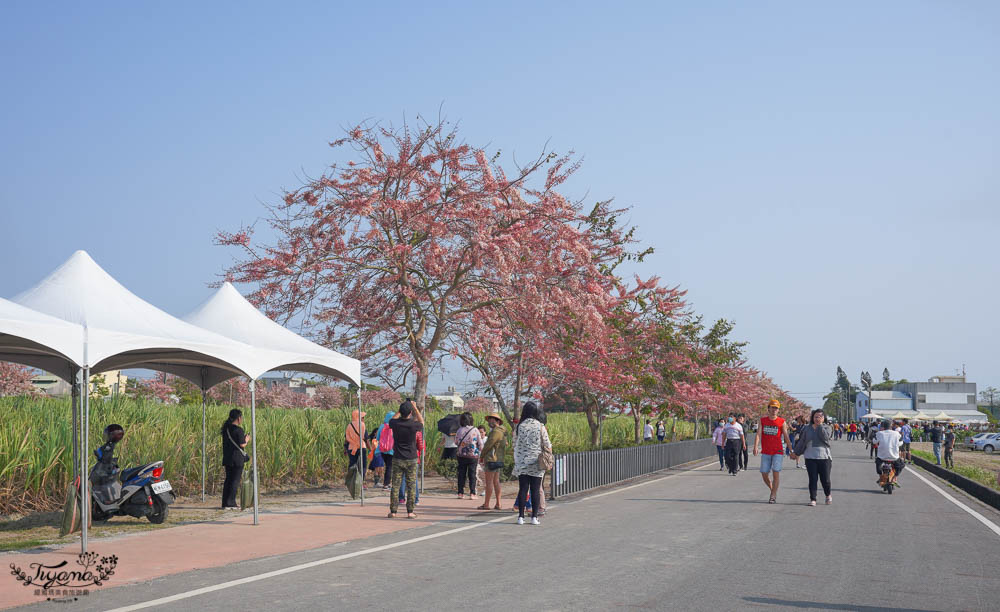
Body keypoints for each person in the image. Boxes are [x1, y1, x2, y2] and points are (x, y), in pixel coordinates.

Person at [512, 402, 551, 525]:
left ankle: (520, 517)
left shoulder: (519, 426)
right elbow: (547, 444)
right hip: (536, 462)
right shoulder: (540, 426)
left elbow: (514, 443)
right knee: (535, 489)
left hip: (522, 462)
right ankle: (534, 517)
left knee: (523, 489)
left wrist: (518, 457)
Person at [387, 399, 424, 519]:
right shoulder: (413, 425)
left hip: (397, 457)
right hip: (411, 458)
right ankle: (410, 511)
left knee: (395, 486)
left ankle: (393, 511)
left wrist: (401, 408)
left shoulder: (395, 424)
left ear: (401, 412)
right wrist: (414, 407)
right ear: (410, 413)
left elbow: (391, 420)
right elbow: (422, 422)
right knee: (411, 485)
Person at [754, 399, 794, 504]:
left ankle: (773, 495)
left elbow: (786, 436)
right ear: (768, 408)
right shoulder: (762, 420)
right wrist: (755, 446)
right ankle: (772, 488)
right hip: (766, 451)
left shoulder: (782, 421)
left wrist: (791, 450)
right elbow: (758, 434)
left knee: (776, 472)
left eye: (776, 408)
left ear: (778, 410)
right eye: (772, 407)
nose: (774, 410)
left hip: (778, 451)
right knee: (764, 472)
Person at [797, 409, 833, 506]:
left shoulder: (827, 427)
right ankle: (813, 499)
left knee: (825, 479)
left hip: (824, 457)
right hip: (810, 457)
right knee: (812, 479)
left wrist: (820, 426)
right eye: (816, 416)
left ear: (824, 418)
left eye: (820, 417)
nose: (817, 418)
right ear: (812, 417)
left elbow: (825, 438)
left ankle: (828, 495)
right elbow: (802, 441)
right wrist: (796, 453)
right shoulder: (807, 428)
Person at [220, 409, 250, 510]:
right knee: (235, 481)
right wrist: (247, 440)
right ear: (238, 418)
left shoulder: (226, 429)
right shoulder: (239, 430)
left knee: (228, 480)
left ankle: (225, 502)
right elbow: (242, 444)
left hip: (227, 458)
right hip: (237, 459)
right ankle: (231, 503)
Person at [479, 412, 507, 510]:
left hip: (492, 459)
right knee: (496, 481)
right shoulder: (502, 431)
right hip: (498, 459)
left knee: (489, 482)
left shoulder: (496, 432)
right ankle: (498, 503)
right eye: (489, 419)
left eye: (492, 419)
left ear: (497, 421)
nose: (489, 421)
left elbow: (488, 445)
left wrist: (481, 456)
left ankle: (486, 504)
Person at [455, 412, 483, 499]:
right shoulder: (475, 430)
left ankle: (460, 493)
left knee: (461, 474)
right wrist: (478, 449)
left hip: (461, 455)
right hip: (473, 456)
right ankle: (472, 493)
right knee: (472, 474)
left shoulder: (459, 430)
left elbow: (456, 442)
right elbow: (481, 444)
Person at [875, 420, 905, 486]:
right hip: (894, 457)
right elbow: (901, 442)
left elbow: (874, 441)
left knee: (878, 465)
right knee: (901, 465)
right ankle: (894, 478)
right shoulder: (897, 434)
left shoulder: (879, 433)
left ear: (883, 427)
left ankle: (881, 477)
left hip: (882, 457)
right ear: (891, 426)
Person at [374, 411, 395, 489]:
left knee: (387, 466)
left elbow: (378, 438)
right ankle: (387, 484)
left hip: (382, 450)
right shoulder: (395, 426)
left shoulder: (382, 426)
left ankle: (386, 483)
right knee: (389, 467)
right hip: (391, 450)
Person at [345, 409, 367, 480]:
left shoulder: (349, 425)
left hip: (352, 448)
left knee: (352, 464)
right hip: (361, 446)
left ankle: (351, 481)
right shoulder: (362, 424)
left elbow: (347, 437)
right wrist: (358, 443)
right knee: (363, 465)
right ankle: (361, 481)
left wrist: (354, 443)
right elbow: (362, 436)